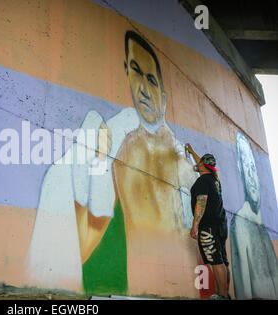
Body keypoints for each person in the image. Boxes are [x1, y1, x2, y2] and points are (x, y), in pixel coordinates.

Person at [26, 30, 197, 296]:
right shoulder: (115, 131)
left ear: (163, 98)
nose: (142, 87)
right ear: (126, 73)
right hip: (120, 278)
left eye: (150, 79)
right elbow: (95, 208)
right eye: (135, 71)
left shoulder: (177, 155)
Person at [230, 132, 278, 299]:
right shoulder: (240, 224)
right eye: (246, 169)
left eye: (253, 169)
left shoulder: (264, 227)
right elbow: (244, 291)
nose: (251, 176)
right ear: (240, 173)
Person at [186, 144, 230, 300]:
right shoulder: (213, 178)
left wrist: (195, 225)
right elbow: (202, 163)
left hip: (208, 227)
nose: (197, 165)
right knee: (221, 260)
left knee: (215, 260)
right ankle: (225, 294)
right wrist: (191, 151)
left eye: (199, 164)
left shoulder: (203, 181)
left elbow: (201, 202)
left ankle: (223, 295)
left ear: (203, 167)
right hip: (220, 224)